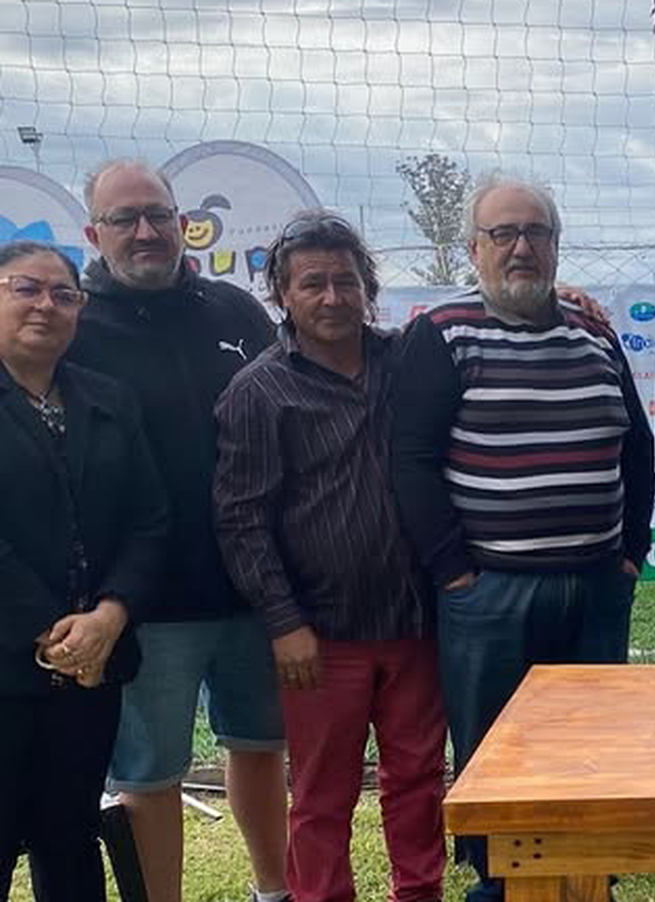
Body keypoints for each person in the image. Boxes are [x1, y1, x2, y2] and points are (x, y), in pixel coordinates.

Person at [391, 173, 654, 902]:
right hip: (490, 594)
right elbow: (409, 460)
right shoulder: (441, 333)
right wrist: (454, 573)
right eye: (502, 234)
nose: (521, 247)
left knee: (591, 757)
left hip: (598, 587)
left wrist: (630, 554)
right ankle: (500, 889)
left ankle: (583, 885)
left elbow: (636, 446)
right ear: (473, 248)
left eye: (535, 232)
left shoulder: (596, 332)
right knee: (493, 763)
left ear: (556, 246)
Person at [68, 160, 290, 902]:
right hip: (142, 600)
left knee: (260, 748)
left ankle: (274, 892)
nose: (145, 232)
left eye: (158, 215)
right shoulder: (73, 322)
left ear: (182, 222)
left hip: (253, 588)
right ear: (93, 233)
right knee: (148, 775)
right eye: (125, 219)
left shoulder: (235, 311)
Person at [214, 212, 447, 902]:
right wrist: (284, 623)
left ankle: (420, 893)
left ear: (367, 287)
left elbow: (481, 324)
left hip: (415, 624)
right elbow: (240, 519)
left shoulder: (407, 360)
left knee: (417, 781)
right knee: (321, 796)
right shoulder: (258, 391)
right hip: (319, 634)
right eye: (312, 283)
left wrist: (573, 300)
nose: (331, 297)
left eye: (346, 281)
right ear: (282, 294)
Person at [0, 240, 168, 900]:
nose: (46, 305)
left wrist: (110, 616)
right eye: (25, 289)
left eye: (63, 294)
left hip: (91, 669)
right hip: (12, 663)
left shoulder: (109, 400)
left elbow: (150, 520)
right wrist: (51, 632)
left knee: (68, 838)